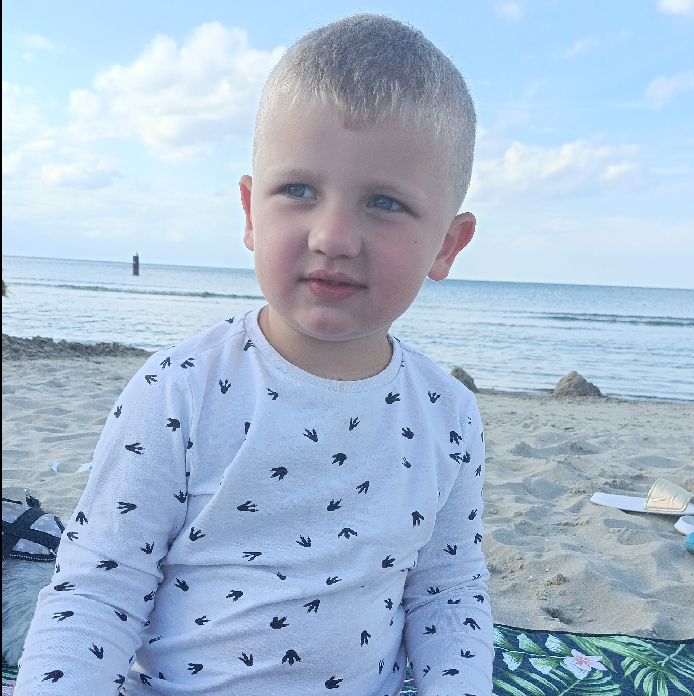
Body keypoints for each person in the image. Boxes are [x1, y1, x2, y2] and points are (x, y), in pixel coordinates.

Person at [14, 14, 493, 696]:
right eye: (299, 191)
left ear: (447, 244)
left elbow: (449, 591)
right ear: (249, 209)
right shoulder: (180, 389)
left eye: (384, 202)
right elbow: (96, 590)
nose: (332, 236)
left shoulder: (448, 415)